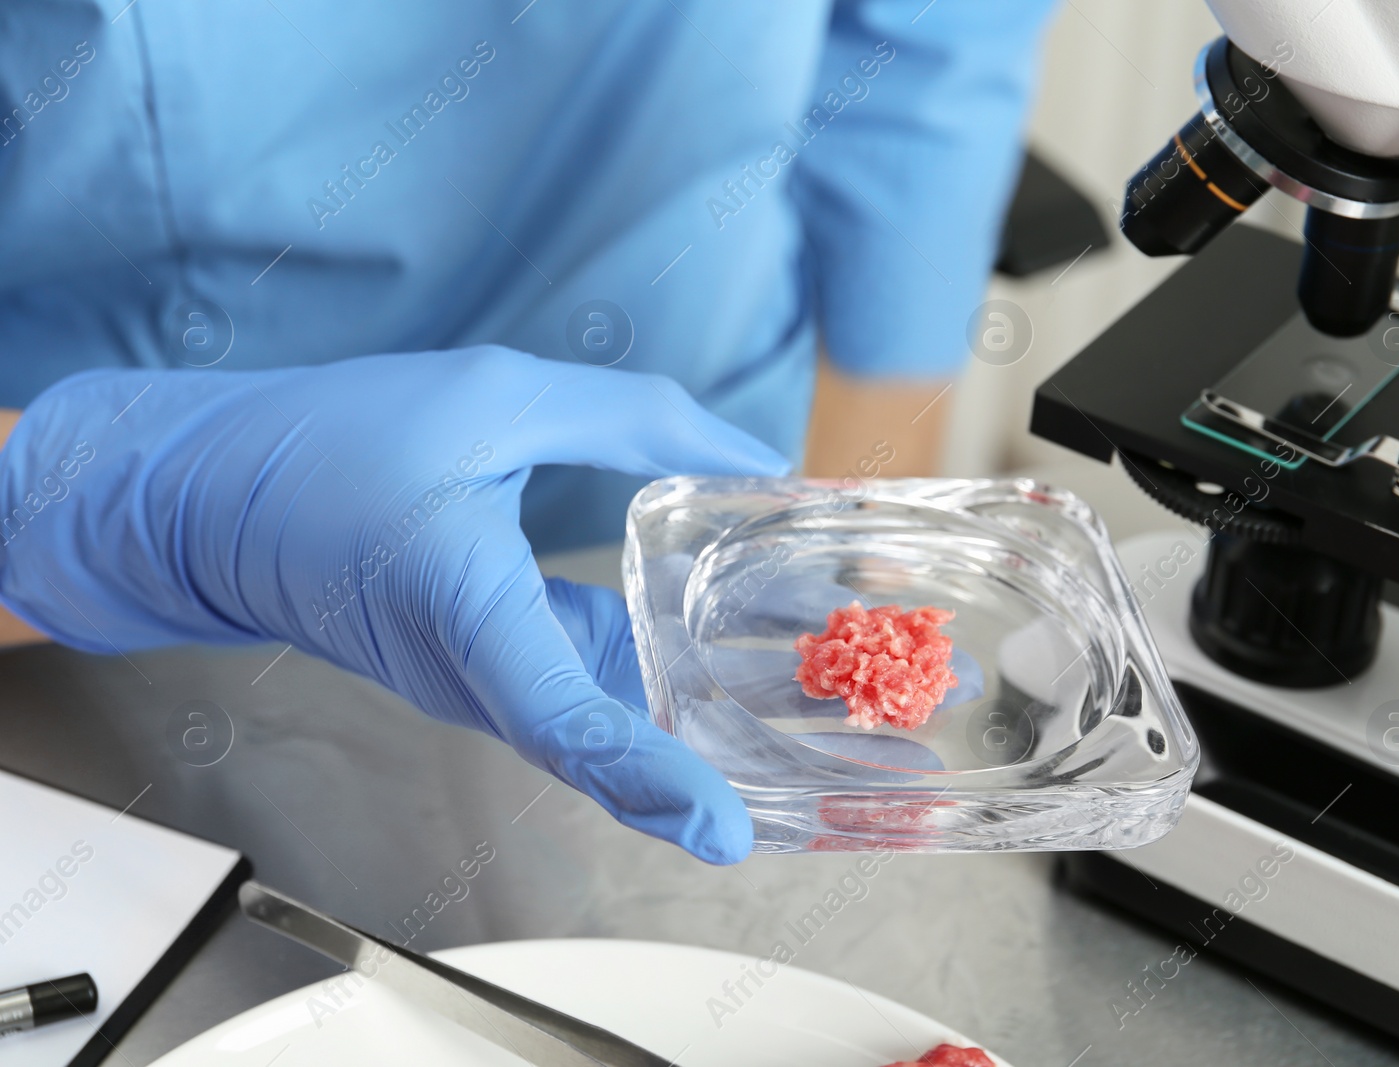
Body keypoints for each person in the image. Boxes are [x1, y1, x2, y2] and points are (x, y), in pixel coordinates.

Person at [0, 2, 1058, 864]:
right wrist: (131, 513)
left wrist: (855, 534)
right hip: (90, 629)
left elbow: (931, 52)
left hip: (676, 494)